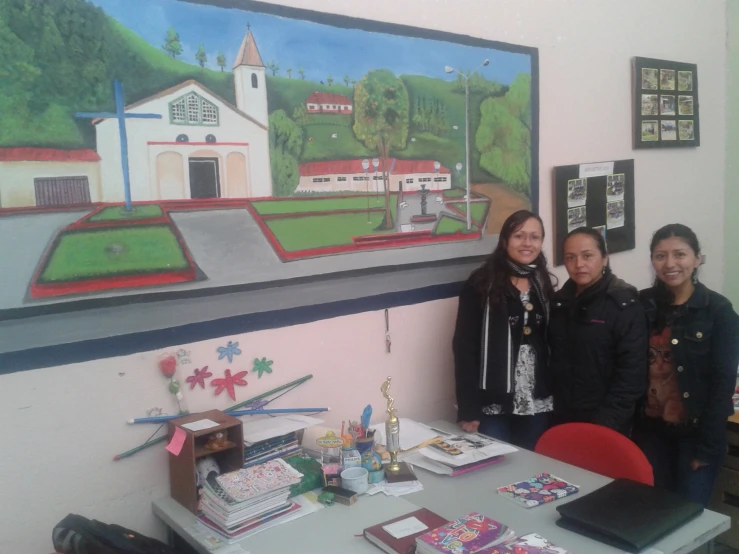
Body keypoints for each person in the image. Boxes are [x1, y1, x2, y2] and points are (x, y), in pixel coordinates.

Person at [634, 224, 739, 506]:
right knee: (652, 511)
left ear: (697, 259)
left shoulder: (718, 311)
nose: (670, 264)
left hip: (695, 435)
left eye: (679, 254)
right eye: (660, 256)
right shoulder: (642, 304)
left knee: (686, 516)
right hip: (650, 433)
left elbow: (723, 383)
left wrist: (706, 449)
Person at [452, 210, 555, 450]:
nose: (527, 243)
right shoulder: (481, 283)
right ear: (505, 240)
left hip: (535, 396)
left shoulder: (542, 280)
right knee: (498, 466)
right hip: (493, 398)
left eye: (535, 237)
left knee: (532, 465)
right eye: (519, 236)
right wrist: (468, 409)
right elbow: (464, 347)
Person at [548, 227, 647, 434]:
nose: (579, 264)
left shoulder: (623, 305)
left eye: (587, 256)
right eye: (570, 257)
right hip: (561, 416)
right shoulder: (559, 303)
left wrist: (603, 424)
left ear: (604, 258)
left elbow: (631, 376)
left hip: (606, 421)